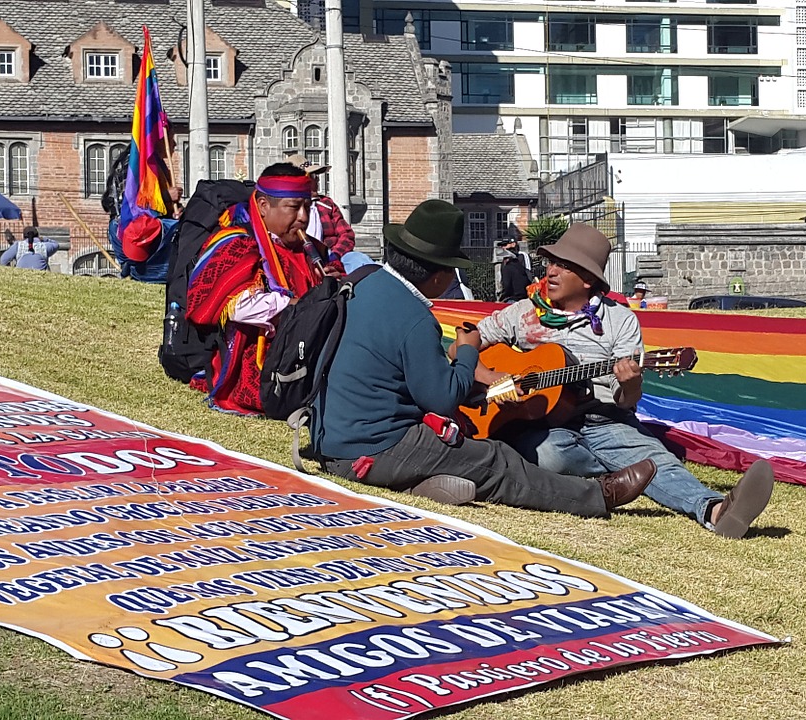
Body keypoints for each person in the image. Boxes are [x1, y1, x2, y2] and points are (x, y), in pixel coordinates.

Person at [316, 200, 656, 517]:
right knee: (495, 458)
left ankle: (424, 483)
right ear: (439, 275)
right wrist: (466, 352)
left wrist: (486, 376)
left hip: (327, 436)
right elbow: (441, 398)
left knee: (464, 450)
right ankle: (597, 496)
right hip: (372, 448)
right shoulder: (414, 318)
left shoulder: (363, 284)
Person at [458, 223, 774, 538]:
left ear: (587, 280)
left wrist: (631, 382)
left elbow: (626, 400)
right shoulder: (524, 312)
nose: (551, 271)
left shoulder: (620, 321)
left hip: (606, 419)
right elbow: (463, 341)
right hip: (542, 425)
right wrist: (488, 375)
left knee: (652, 457)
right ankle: (622, 473)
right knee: (550, 454)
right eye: (551, 262)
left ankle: (716, 510)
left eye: (563, 266)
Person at [183, 163, 332, 416]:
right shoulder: (236, 244)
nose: (304, 217)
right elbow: (238, 307)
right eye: (294, 207)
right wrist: (296, 306)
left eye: (307, 206)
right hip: (255, 363)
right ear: (264, 207)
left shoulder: (314, 249)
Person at [286, 154, 355, 266]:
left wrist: (335, 255)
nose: (317, 179)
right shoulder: (285, 208)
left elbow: (347, 235)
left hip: (330, 260)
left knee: (359, 260)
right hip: (299, 262)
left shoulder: (327, 204)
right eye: (313, 176)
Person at [497, 238, 532, 302]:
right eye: (502, 246)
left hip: (519, 297)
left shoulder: (522, 256)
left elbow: (528, 275)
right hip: (514, 296)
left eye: (505, 245)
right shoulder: (508, 263)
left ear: (513, 244)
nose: (503, 247)